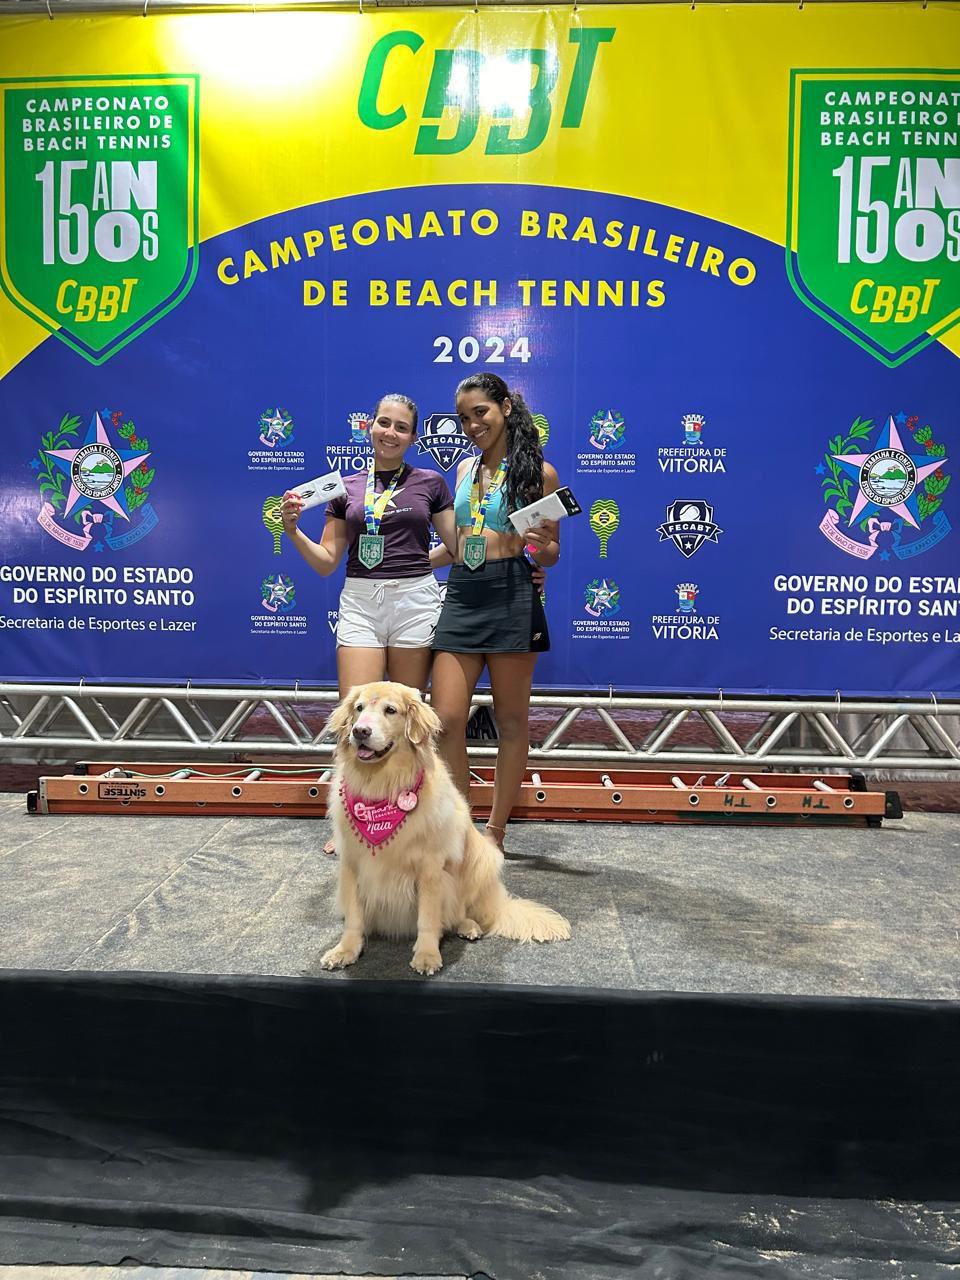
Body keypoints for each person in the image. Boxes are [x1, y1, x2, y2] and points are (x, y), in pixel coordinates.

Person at [282, 394, 458, 851]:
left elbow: (456, 547)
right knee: (353, 717)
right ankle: (350, 822)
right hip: (360, 600)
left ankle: (409, 815)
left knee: (407, 720)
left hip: (415, 602)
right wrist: (291, 530)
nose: (391, 433)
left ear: (413, 437)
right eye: (384, 423)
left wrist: (421, 565)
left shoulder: (431, 482)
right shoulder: (344, 489)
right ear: (369, 428)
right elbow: (325, 562)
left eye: (402, 427)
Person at [428, 373, 561, 852]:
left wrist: (542, 549)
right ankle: (460, 828)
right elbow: (459, 544)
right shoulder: (464, 470)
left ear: (505, 407)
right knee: (444, 718)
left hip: (512, 594)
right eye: (463, 418)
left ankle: (496, 833)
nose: (471, 425)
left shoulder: (540, 474)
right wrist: (407, 566)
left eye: (480, 412)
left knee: (510, 721)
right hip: (463, 593)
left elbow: (549, 555)